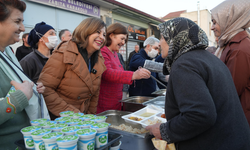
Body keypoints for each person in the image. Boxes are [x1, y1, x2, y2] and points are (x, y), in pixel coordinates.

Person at [145, 17, 250, 150]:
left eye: (162, 37)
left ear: (175, 38)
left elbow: (200, 114)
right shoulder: (207, 58)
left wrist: (164, 130)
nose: (159, 43)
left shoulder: (184, 64)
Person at [38, 17, 107, 119]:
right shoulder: (64, 52)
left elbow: (93, 96)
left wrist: (90, 119)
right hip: (62, 120)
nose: (101, 37)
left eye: (104, 35)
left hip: (83, 122)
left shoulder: (98, 59)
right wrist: (73, 114)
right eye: (97, 32)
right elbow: (46, 89)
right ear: (85, 30)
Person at [0, 1, 45, 149]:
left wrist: (31, 89)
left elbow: (14, 84)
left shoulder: (7, 53)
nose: (23, 28)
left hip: (24, 140)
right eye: (17, 21)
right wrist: (19, 98)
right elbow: (16, 97)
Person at [211, 0, 250, 126]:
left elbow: (230, 91)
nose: (212, 27)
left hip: (239, 120)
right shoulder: (230, 44)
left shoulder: (239, 49)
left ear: (228, 20)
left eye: (215, 22)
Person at [97, 23, 151, 113]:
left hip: (116, 102)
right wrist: (133, 75)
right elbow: (107, 73)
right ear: (111, 35)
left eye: (124, 40)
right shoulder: (103, 52)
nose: (123, 42)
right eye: (122, 39)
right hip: (105, 104)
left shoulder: (115, 54)